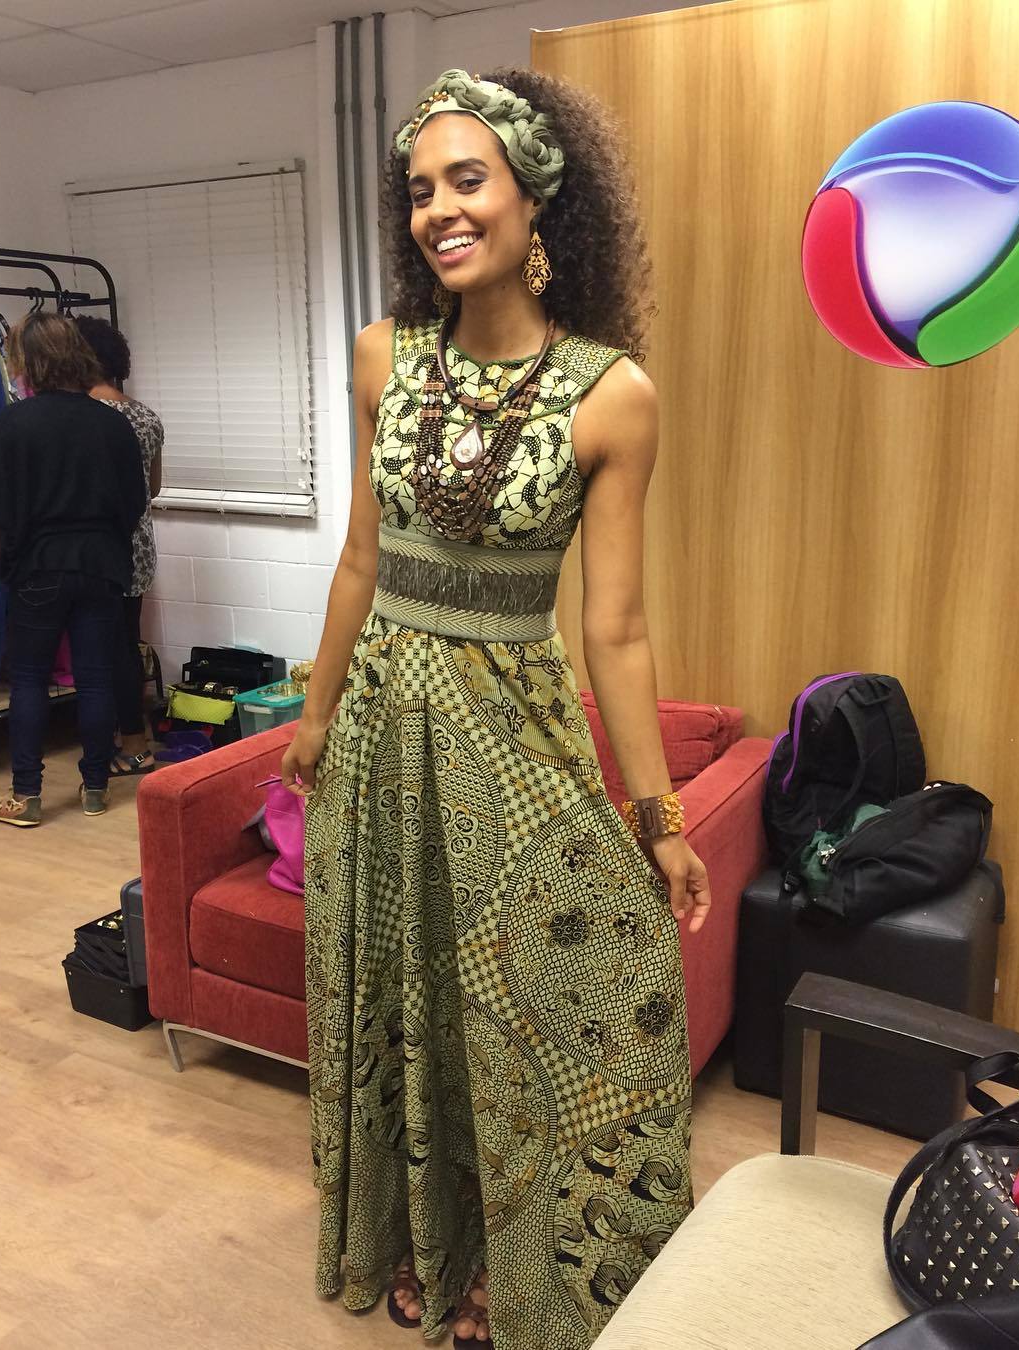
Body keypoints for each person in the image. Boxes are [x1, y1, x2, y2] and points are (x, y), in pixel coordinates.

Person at [281, 68, 711, 1350]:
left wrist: (659, 818)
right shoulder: (383, 356)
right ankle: (430, 1240)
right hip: (379, 732)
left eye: (467, 180)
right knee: (402, 994)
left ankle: (531, 1272)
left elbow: (615, 628)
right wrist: (313, 716)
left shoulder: (610, 392)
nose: (439, 211)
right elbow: (361, 560)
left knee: (546, 1009)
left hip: (515, 735)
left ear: (538, 200)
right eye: (420, 190)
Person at [0, 313, 146, 826]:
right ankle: (95, 787)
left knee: (30, 679)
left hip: (37, 565)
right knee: (95, 677)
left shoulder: (15, 423)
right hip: (102, 566)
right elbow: (134, 502)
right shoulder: (113, 422)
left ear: (27, 362)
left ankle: (26, 795)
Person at [74, 315, 164, 776]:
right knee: (126, 642)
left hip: (97, 548)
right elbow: (154, 487)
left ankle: (130, 745)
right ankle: (134, 739)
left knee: (107, 650)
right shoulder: (145, 416)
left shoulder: (82, 418)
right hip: (140, 543)